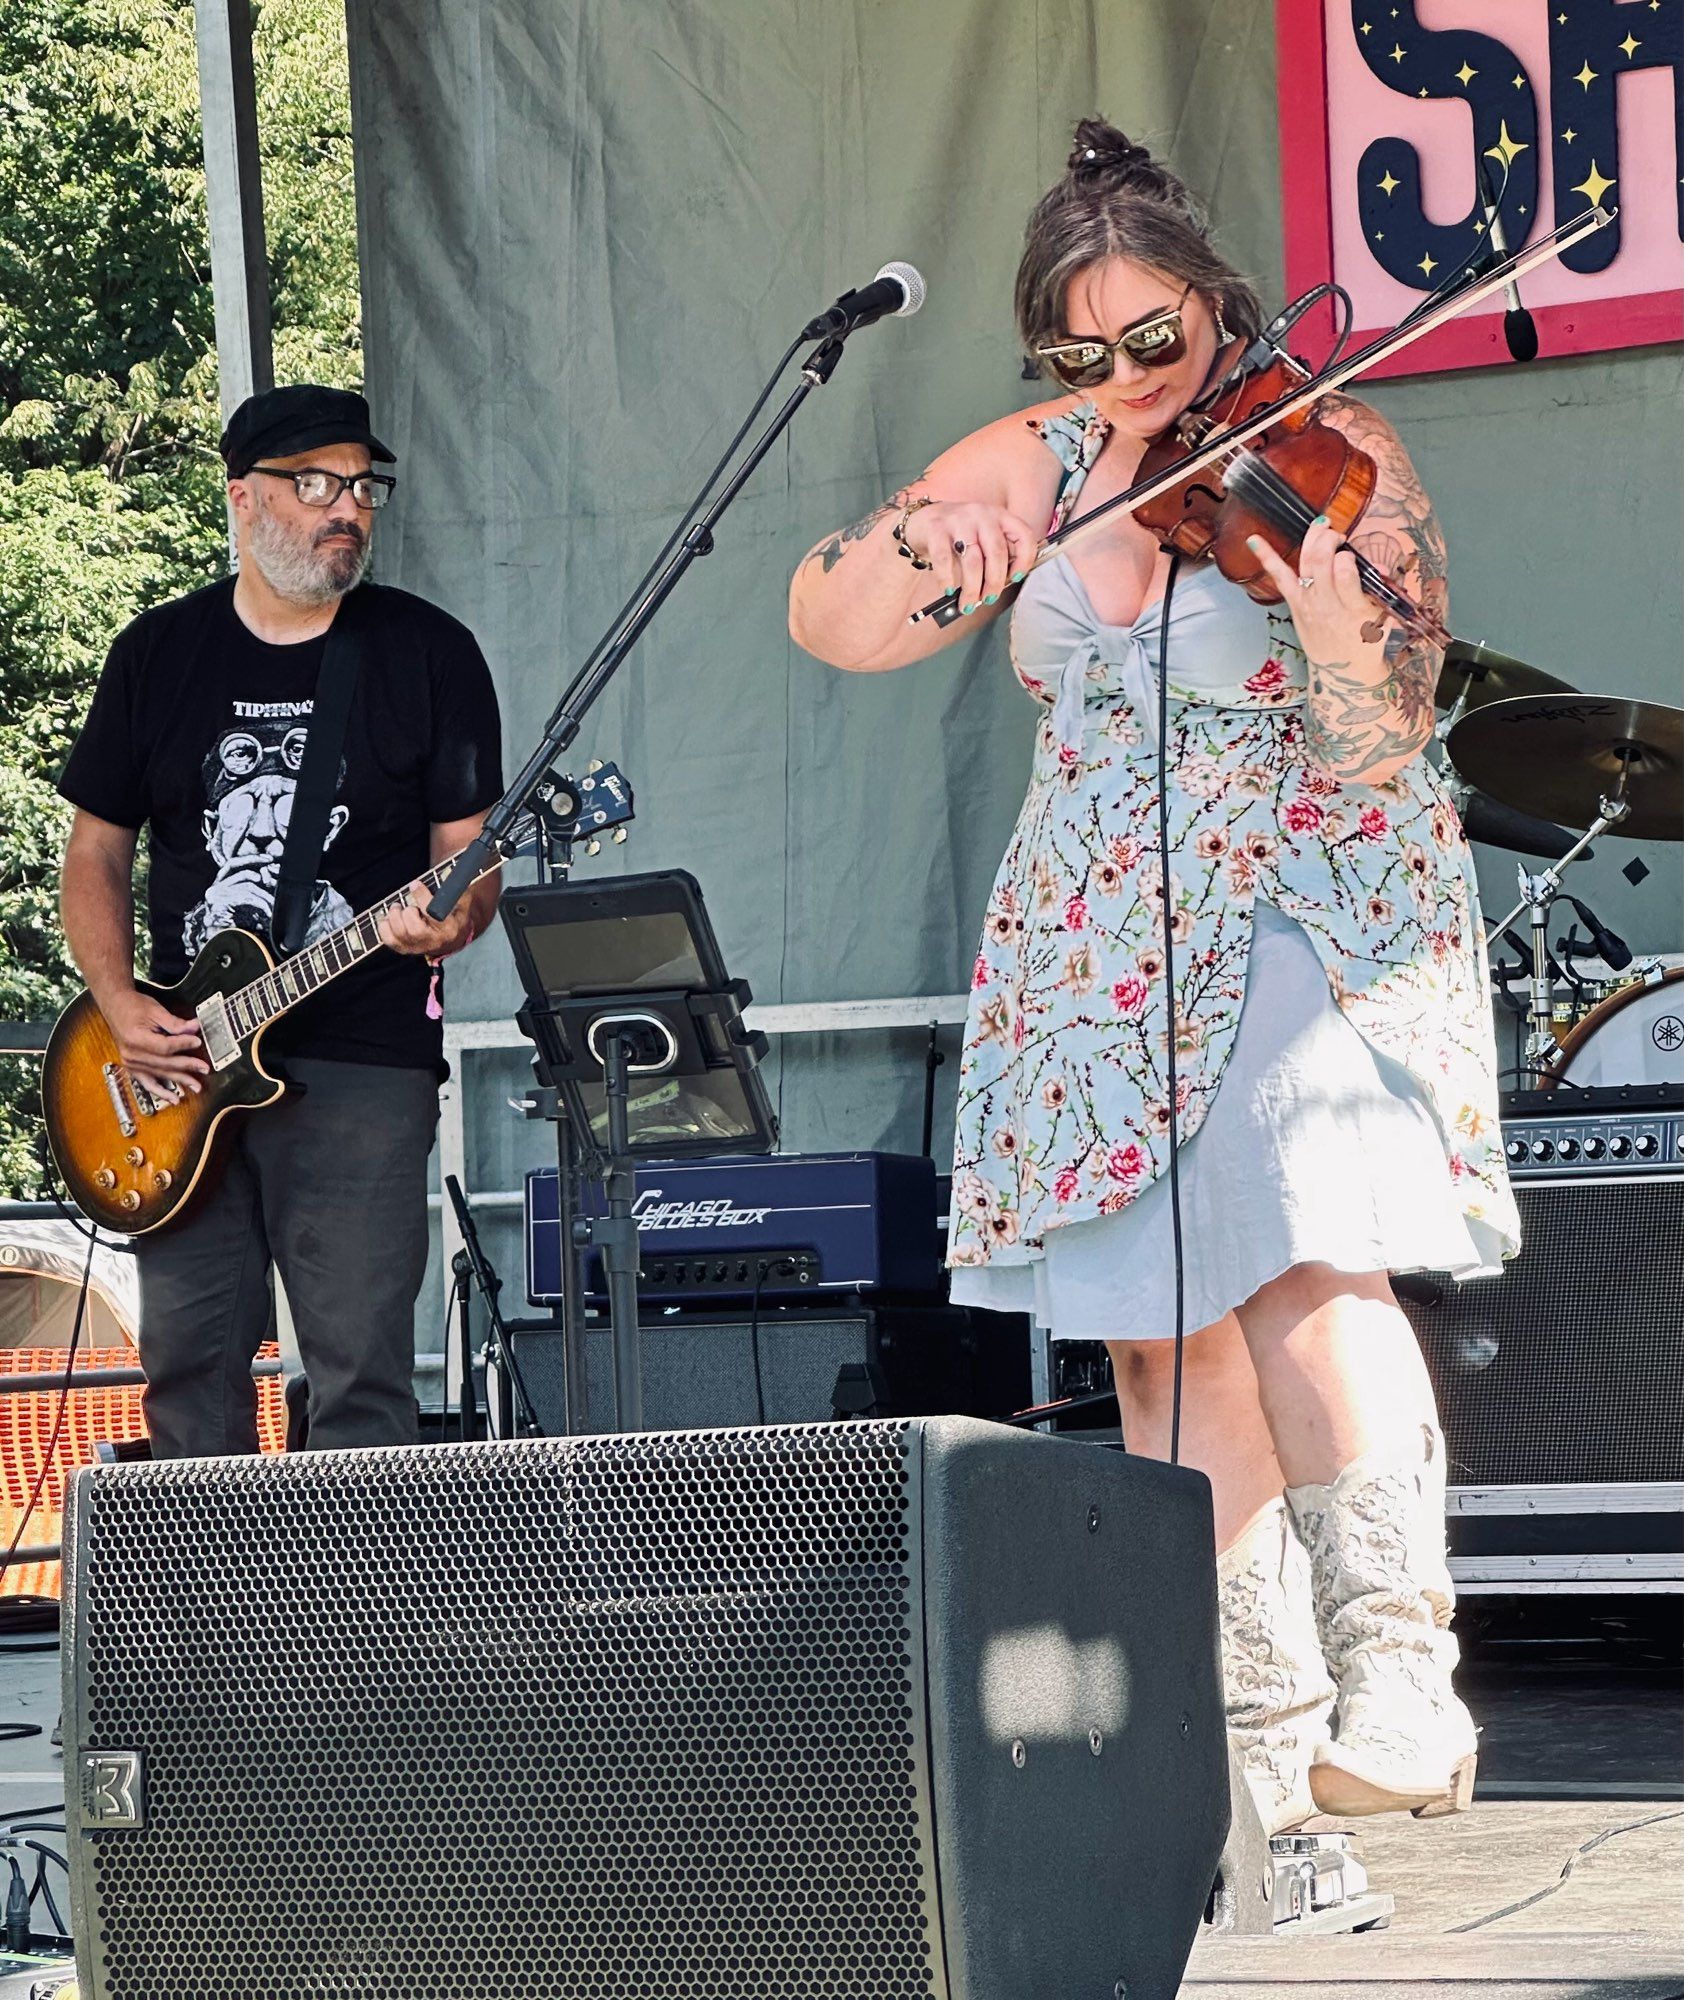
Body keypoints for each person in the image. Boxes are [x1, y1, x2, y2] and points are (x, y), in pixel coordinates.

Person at [788, 121, 1520, 1828]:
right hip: (1094, 934)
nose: (1120, 377)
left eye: (1152, 341)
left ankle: (1402, 1680)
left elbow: (1374, 740)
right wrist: (930, 562)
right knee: (1152, 1344)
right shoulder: (1047, 453)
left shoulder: (1326, 447)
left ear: (1212, 303)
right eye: (1076, 348)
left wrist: (1343, 633)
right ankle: (1257, 1744)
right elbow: (828, 617)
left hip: (1291, 891)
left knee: (1302, 1270)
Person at [57, 384, 505, 1458]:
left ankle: (354, 1626)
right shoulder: (157, 654)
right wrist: (118, 1003)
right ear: (244, 499)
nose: (344, 506)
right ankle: (208, 1626)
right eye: (315, 484)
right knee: (189, 1371)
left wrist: (448, 921)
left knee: (359, 1374)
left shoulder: (427, 653)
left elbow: (470, 863)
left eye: (360, 485)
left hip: (364, 1057)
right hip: (176, 1063)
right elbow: (95, 851)